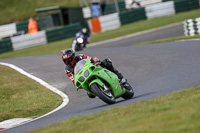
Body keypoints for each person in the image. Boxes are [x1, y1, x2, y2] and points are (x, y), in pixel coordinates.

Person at [62, 49, 127, 98]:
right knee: (90, 95)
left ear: (73, 57)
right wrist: (77, 84)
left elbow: (91, 58)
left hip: (92, 69)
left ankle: (120, 78)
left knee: (107, 62)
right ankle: (100, 91)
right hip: (84, 78)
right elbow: (73, 79)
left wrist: (96, 61)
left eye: (69, 59)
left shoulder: (80, 57)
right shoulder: (67, 70)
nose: (67, 62)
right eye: (65, 60)